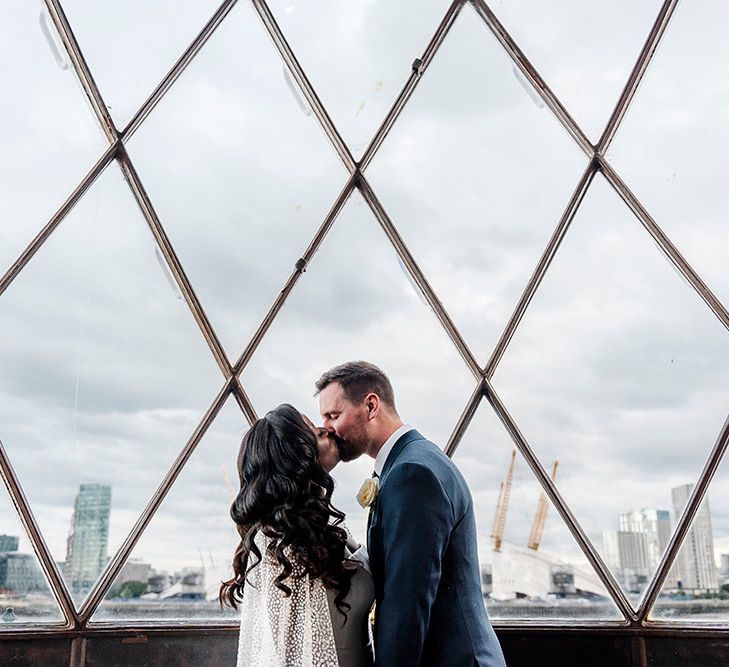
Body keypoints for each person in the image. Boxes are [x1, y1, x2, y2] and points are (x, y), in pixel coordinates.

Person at [316, 361, 506, 667]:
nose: (327, 428)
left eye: (333, 415)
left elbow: (407, 605)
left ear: (371, 406)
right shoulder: (411, 462)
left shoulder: (411, 473)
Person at [220, 403, 375, 667]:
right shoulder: (277, 548)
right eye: (316, 432)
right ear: (297, 457)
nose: (328, 430)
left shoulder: (322, 530)